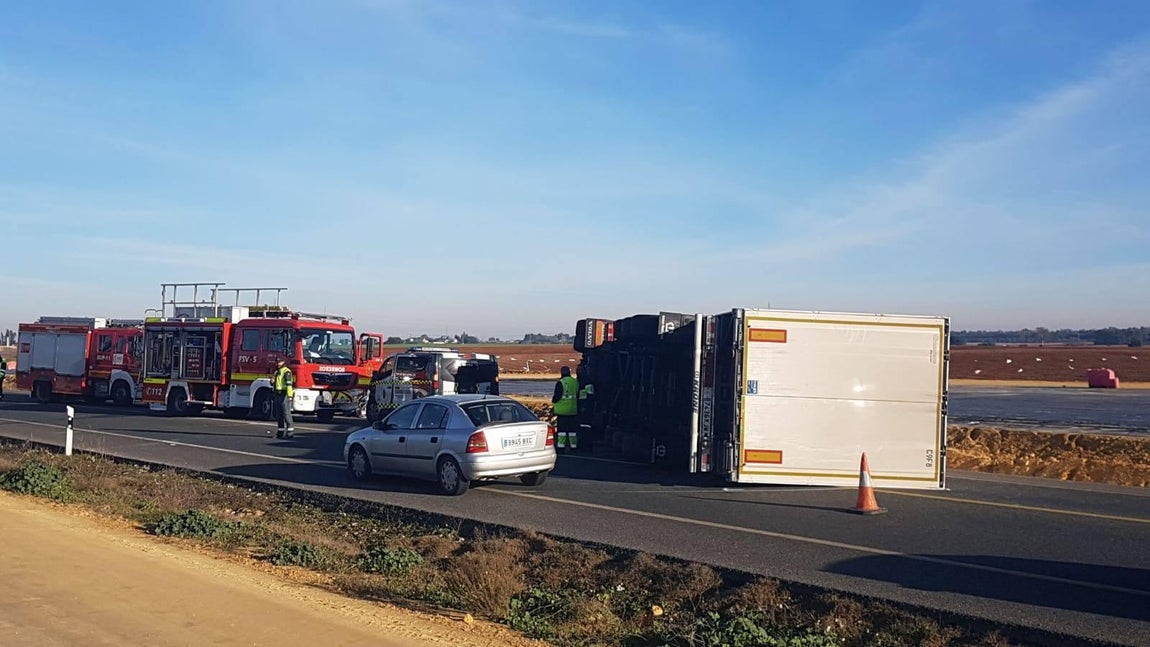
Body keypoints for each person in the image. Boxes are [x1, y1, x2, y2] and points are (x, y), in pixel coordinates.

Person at [551, 365, 579, 452]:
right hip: (573, 410)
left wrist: (554, 402)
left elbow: (557, 396)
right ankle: (573, 446)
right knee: (572, 431)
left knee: (562, 431)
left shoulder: (561, 382)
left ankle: (561, 447)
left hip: (562, 411)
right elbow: (578, 395)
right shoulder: (575, 382)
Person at [272, 358, 295, 438]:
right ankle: (280, 432)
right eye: (277, 362)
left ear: (283, 362)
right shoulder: (277, 371)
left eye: (280, 362)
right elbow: (276, 383)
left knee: (286, 413)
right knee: (279, 414)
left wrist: (289, 396)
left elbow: (289, 385)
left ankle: (290, 433)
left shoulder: (286, 371)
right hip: (277, 394)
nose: (278, 363)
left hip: (284, 394)